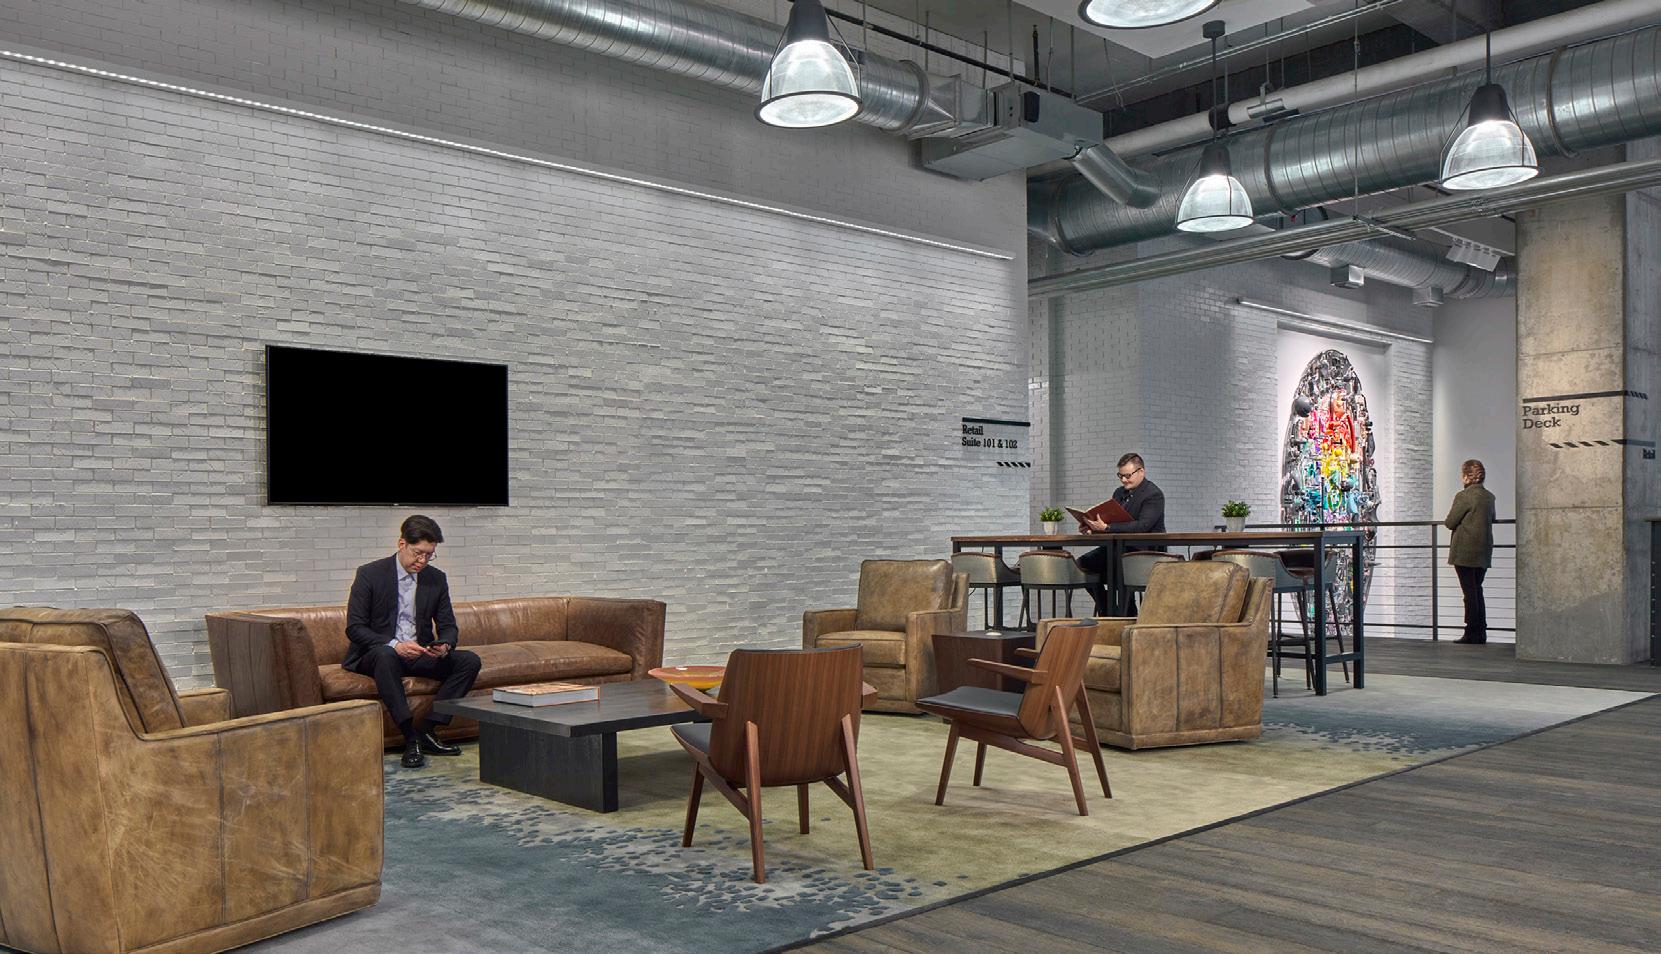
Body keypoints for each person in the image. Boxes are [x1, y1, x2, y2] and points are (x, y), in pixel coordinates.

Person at [345, 514, 482, 767]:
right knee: (386, 656)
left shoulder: (436, 578)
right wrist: (395, 645)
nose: (422, 561)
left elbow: (448, 625)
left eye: (429, 555)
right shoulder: (370, 574)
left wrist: (445, 644)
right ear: (402, 544)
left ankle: (427, 730)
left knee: (469, 661)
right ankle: (410, 738)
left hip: (419, 652)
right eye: (418, 553)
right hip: (377, 653)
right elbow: (355, 628)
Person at [1077, 453, 1168, 615]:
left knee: (1118, 567)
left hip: (1144, 551)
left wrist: (1106, 528)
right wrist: (1093, 528)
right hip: (1117, 549)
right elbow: (1112, 523)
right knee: (1082, 565)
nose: (1124, 480)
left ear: (1141, 472)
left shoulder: (1153, 494)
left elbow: (1142, 526)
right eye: (1120, 476)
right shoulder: (1119, 493)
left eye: (1128, 475)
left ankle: (1128, 613)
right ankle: (1107, 609)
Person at [1443, 458, 1496, 645]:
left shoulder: (1464, 496)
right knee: (1477, 590)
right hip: (1483, 550)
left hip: (1465, 550)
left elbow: (1450, 522)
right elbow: (1492, 518)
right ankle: (1481, 631)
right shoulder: (1489, 497)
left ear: (1466, 476)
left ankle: (1471, 632)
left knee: (1469, 593)